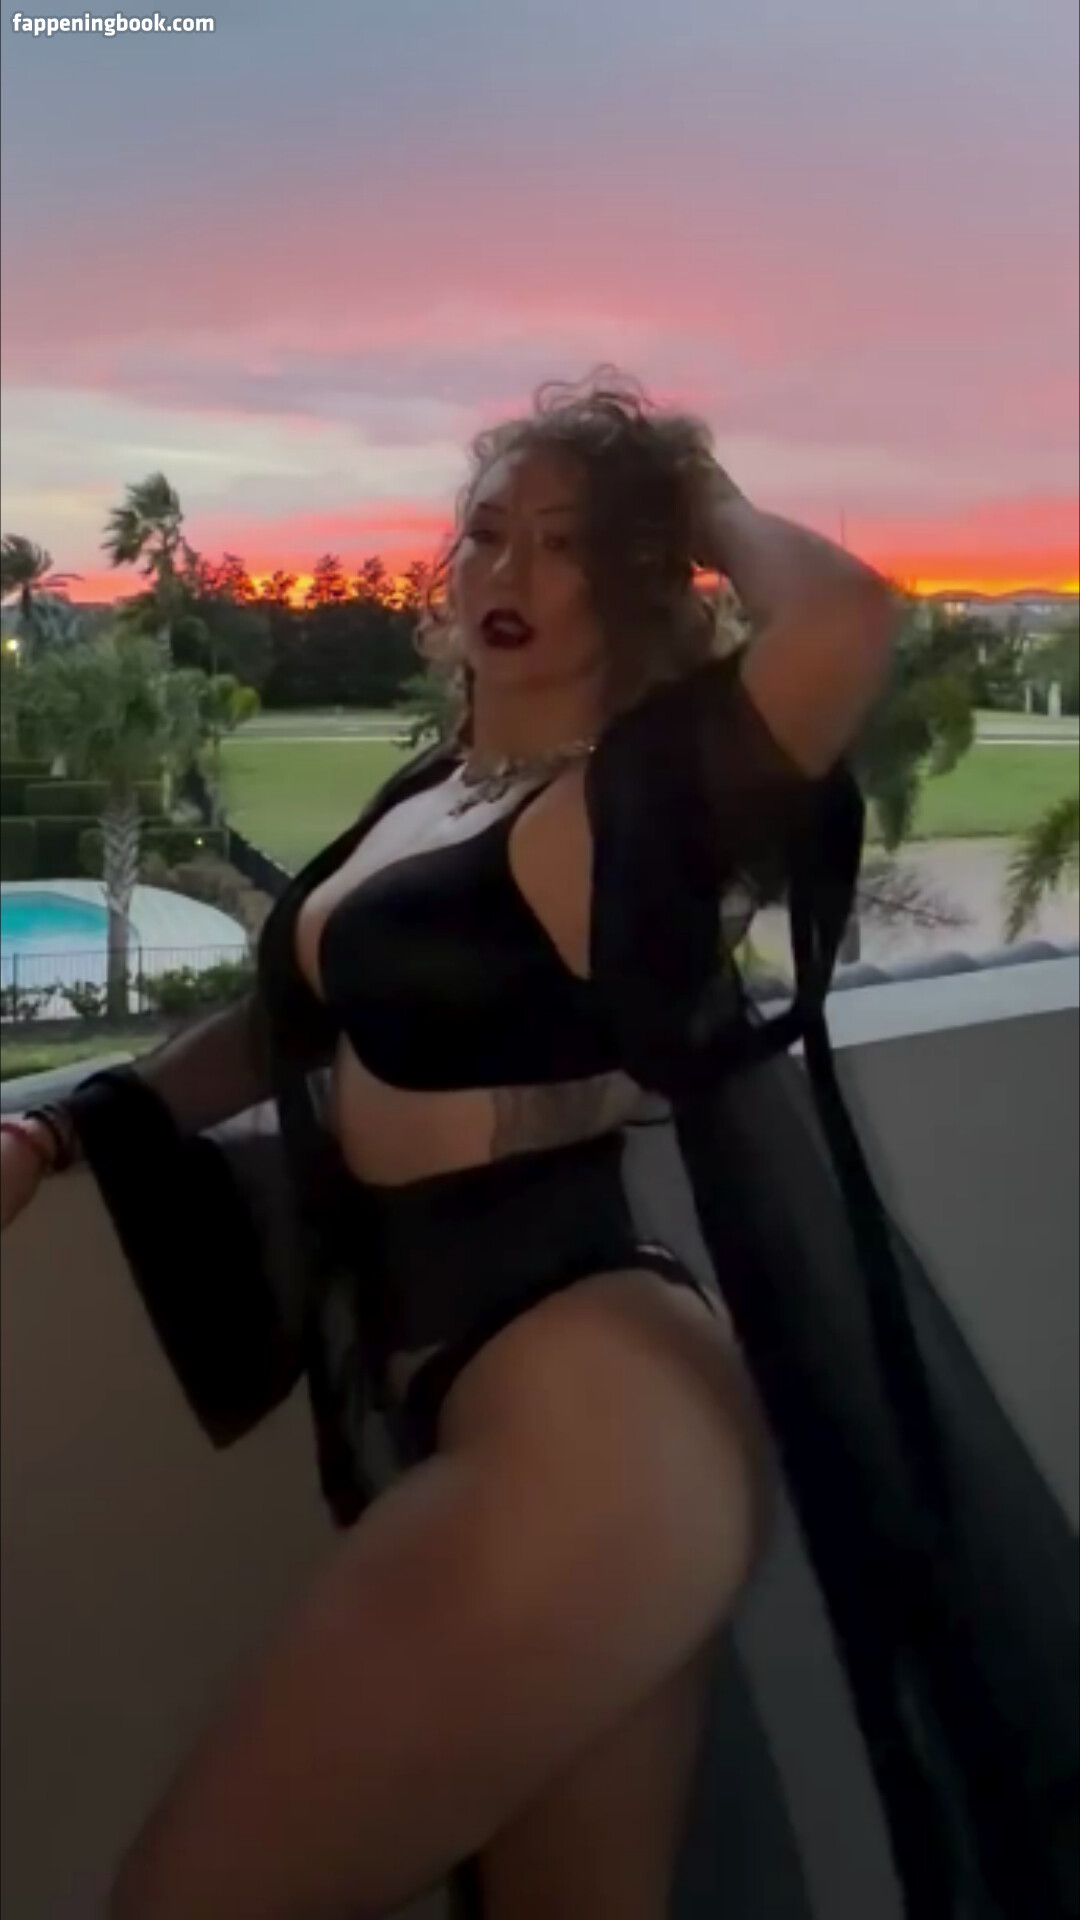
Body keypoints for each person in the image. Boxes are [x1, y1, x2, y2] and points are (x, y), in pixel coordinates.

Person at [2, 376, 1073, 1920]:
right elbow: (278, 1022)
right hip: (503, 1406)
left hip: (597, 1441)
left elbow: (844, 622)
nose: (507, 572)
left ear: (635, 580)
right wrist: (53, 1125)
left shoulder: (626, 811)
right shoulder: (435, 790)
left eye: (566, 545)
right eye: (489, 533)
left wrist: (694, 494)